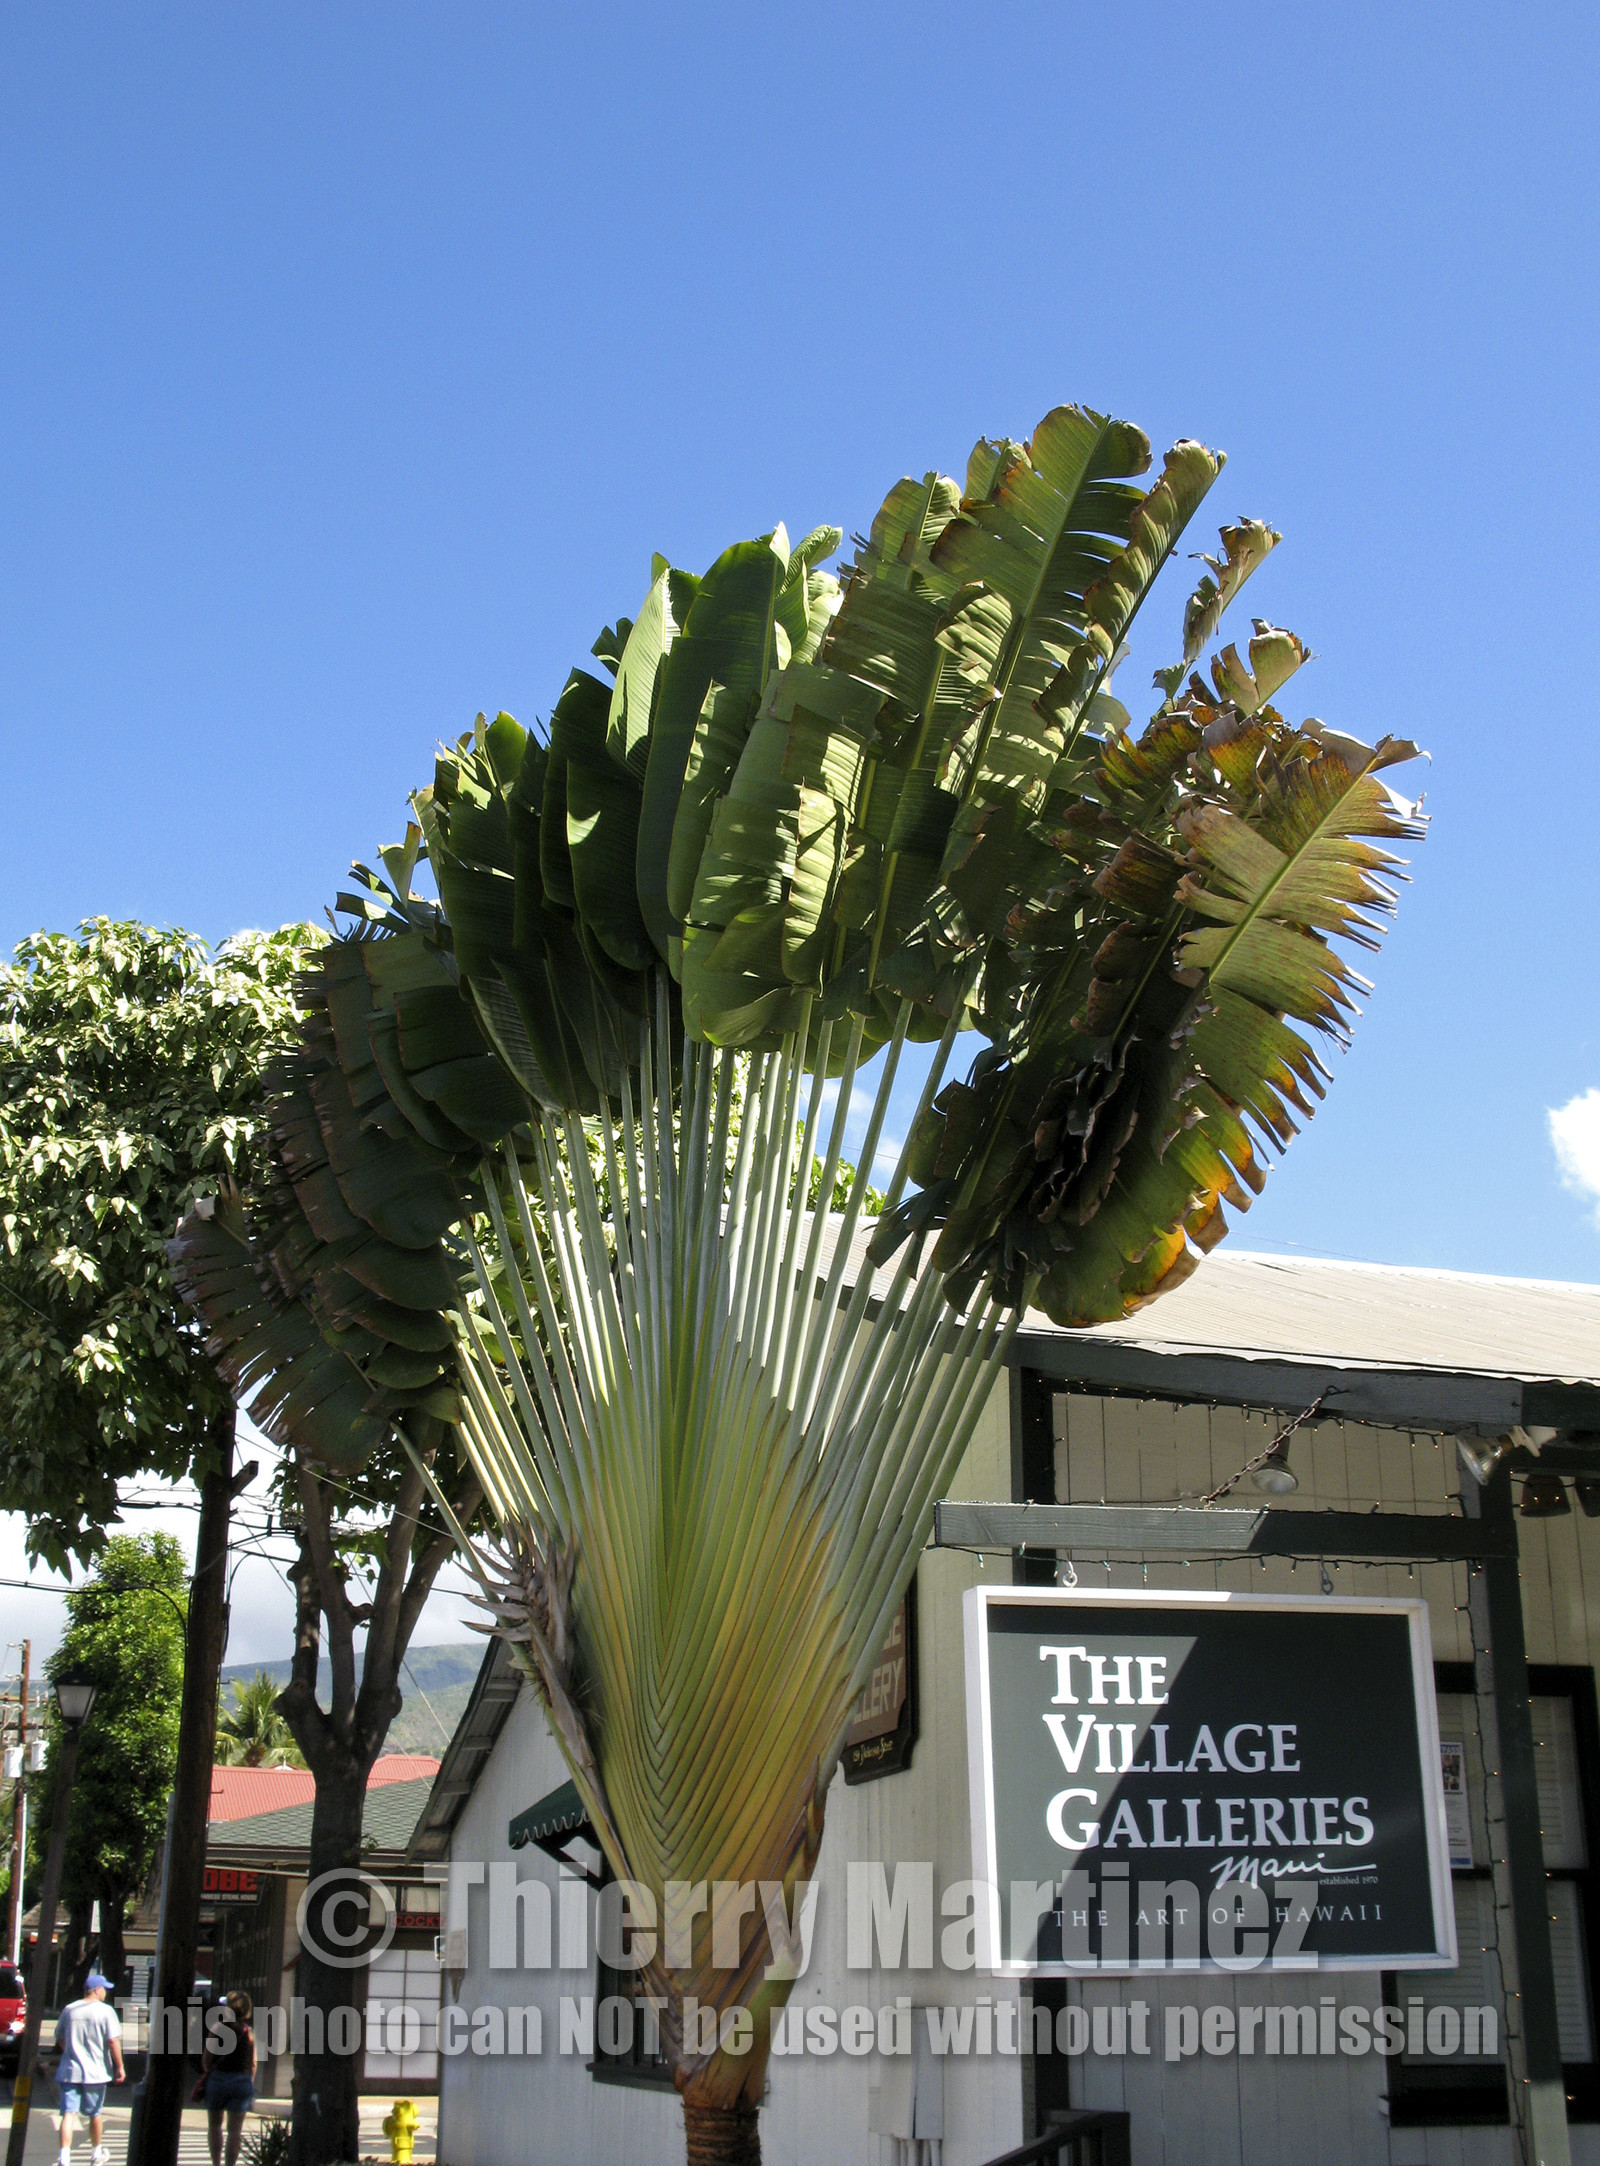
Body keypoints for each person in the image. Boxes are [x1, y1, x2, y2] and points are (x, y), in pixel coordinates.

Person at [52, 1970, 124, 2166]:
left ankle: (64, 2157)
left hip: (70, 2070)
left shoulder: (69, 2010)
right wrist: (120, 2066)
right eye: (105, 1989)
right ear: (97, 1990)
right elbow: (112, 2040)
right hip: (96, 2072)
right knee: (95, 2113)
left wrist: (72, 2053)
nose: (106, 1993)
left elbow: (60, 2038)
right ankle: (95, 2153)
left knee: (68, 2113)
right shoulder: (106, 2011)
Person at [199, 1989, 256, 2166]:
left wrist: (210, 2073)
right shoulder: (248, 2032)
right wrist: (248, 2081)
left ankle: (216, 2162)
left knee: (215, 2126)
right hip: (241, 2081)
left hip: (218, 2079)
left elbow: (206, 2059)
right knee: (235, 2131)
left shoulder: (217, 2029)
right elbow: (253, 2063)